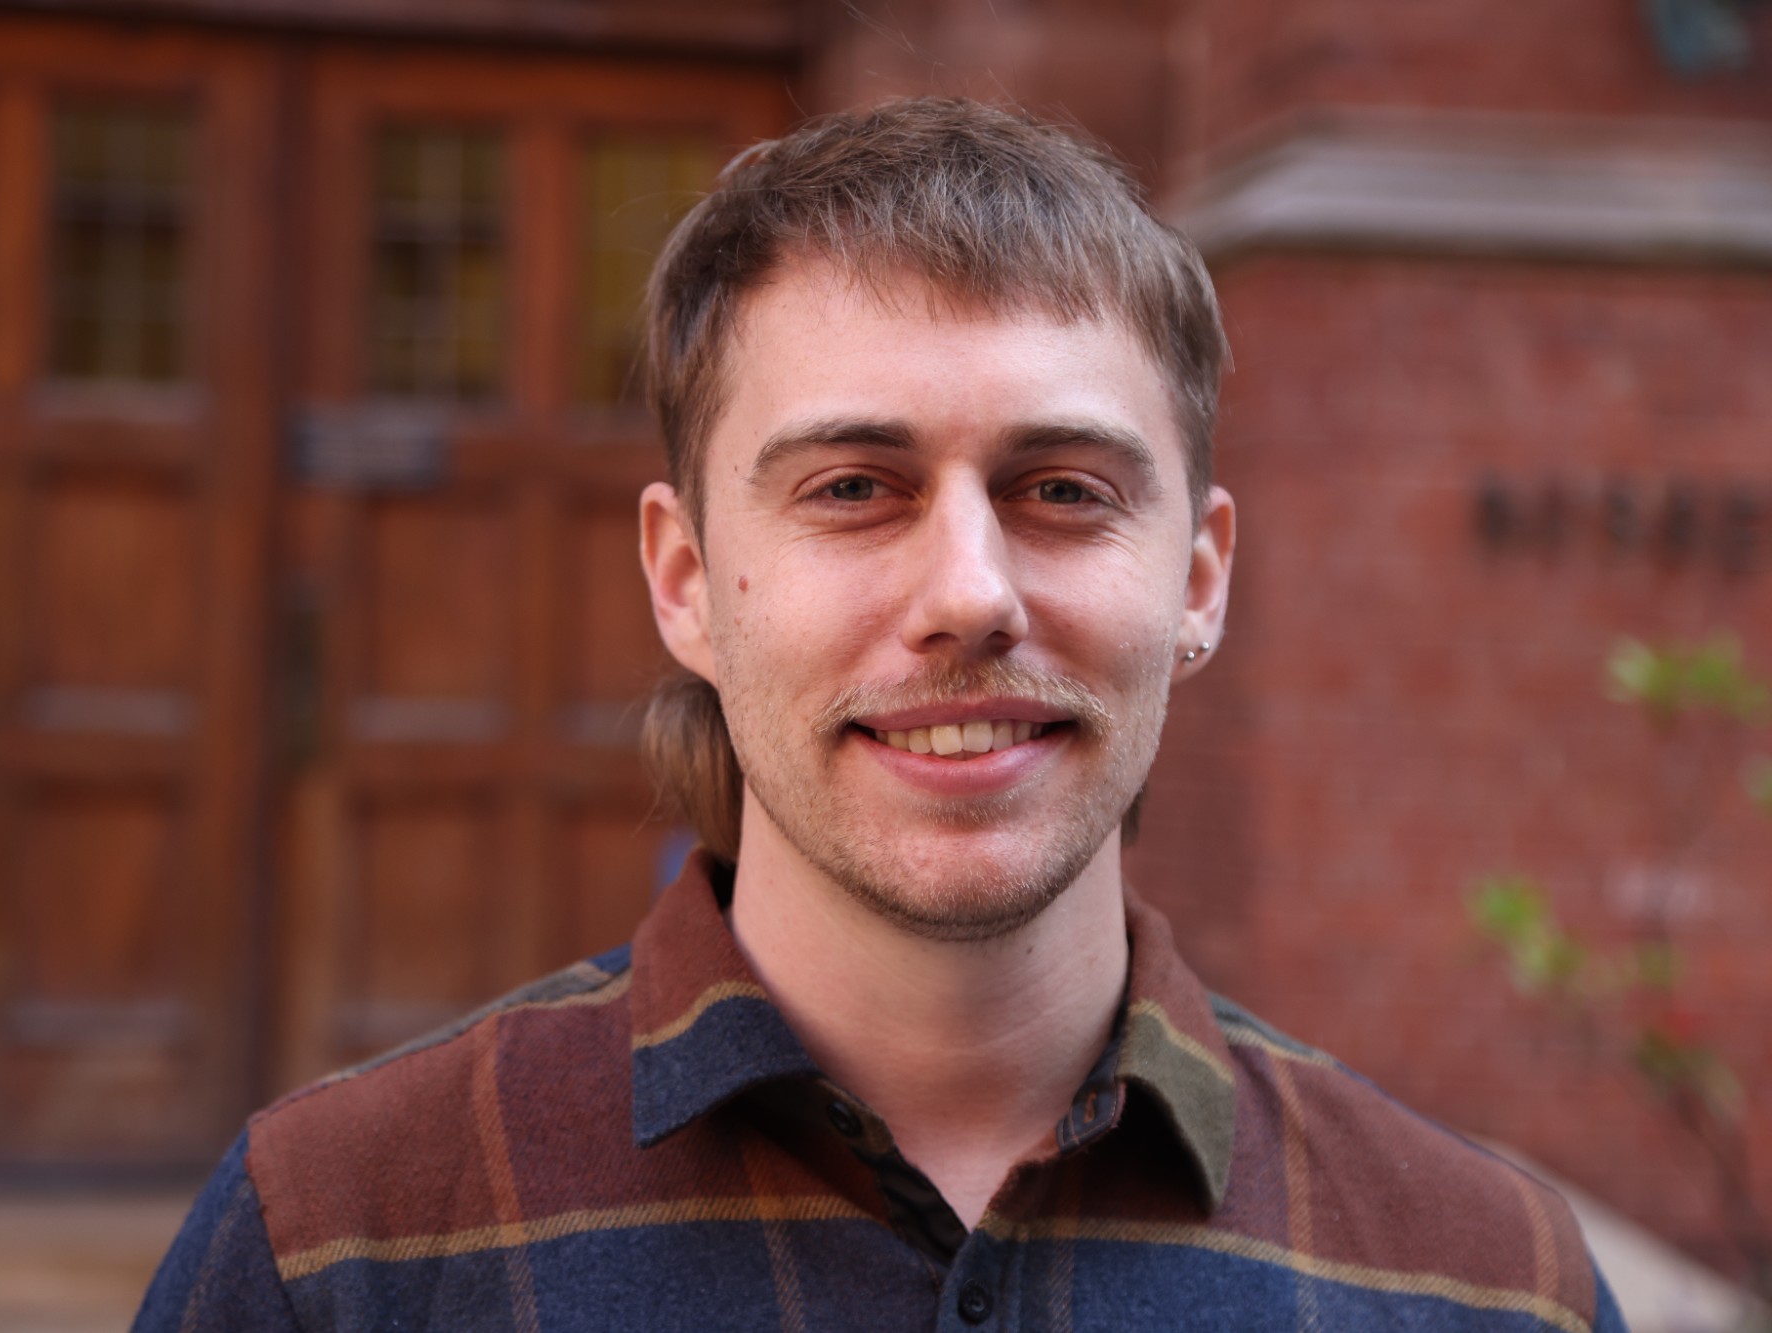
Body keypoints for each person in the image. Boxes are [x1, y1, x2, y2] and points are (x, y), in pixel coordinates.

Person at [135, 98, 1626, 1332]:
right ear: (687, 577)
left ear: (1199, 575)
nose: (969, 592)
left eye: (1062, 491)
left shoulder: (1484, 1283)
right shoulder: (342, 1247)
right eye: (855, 488)